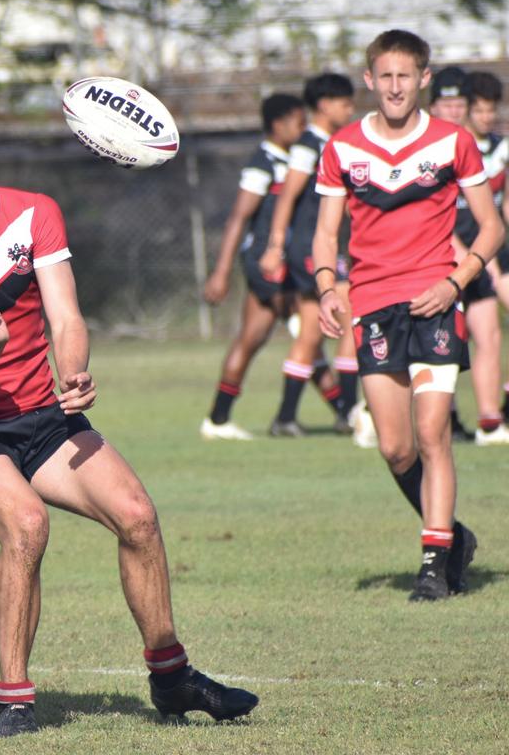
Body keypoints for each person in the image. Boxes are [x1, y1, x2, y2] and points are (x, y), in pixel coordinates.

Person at [0, 90, 258, 738]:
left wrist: (74, 370)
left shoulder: (33, 213)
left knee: (136, 515)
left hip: (44, 416)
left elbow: (67, 317)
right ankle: (16, 701)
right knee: (25, 524)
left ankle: (171, 679)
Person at [314, 30, 502, 601]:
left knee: (432, 432)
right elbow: (326, 235)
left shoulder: (453, 142)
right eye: (384, 76)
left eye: (406, 76)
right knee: (396, 448)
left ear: (423, 79)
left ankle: (431, 563)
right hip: (373, 305)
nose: (395, 87)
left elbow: (491, 226)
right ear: (370, 80)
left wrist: (454, 282)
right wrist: (328, 289)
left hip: (436, 302)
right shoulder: (342, 148)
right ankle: (454, 537)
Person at [201, 93, 305, 439]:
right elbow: (237, 218)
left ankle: (217, 419)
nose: (302, 128)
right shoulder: (264, 163)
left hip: (282, 263)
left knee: (253, 337)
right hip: (266, 264)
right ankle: (343, 411)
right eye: (297, 121)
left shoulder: (292, 160)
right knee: (307, 334)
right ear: (278, 124)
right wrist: (221, 272)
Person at [260, 73, 358, 436]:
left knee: (314, 333)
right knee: (347, 318)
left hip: (325, 246)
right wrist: (275, 246)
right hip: (308, 247)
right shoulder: (307, 145)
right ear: (324, 104)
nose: (350, 110)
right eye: (344, 103)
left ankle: (288, 417)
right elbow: (287, 197)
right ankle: (348, 412)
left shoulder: (332, 142)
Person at [429, 66, 509, 445]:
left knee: (488, 334)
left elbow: (496, 214)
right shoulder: (432, 149)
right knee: (441, 344)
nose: (455, 110)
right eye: (447, 103)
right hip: (441, 259)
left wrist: (481, 258)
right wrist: (470, 257)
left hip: (478, 258)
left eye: (460, 103)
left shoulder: (482, 148)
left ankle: (491, 422)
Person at [454, 70, 509, 444]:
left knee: (489, 334)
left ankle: (492, 420)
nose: (487, 117)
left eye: (492, 110)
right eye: (481, 109)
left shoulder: (502, 148)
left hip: (496, 251)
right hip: (461, 254)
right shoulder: (454, 148)